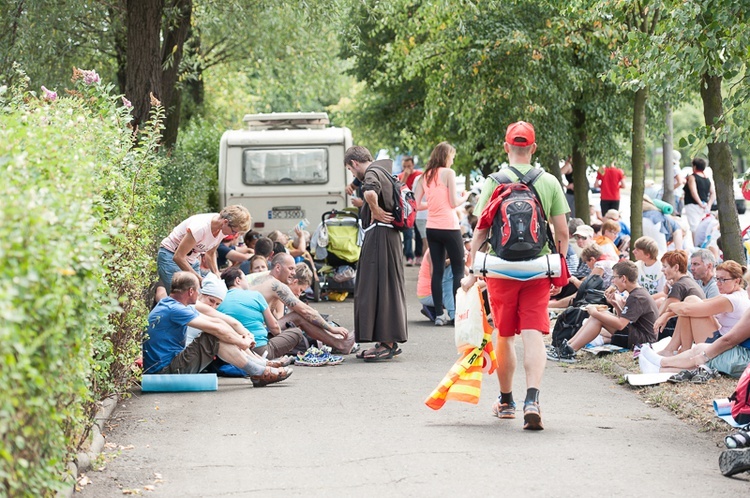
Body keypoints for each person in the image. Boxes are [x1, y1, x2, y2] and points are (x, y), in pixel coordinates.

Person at [463, 121, 569, 430]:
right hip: (537, 269)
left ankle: (506, 402)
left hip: (500, 269)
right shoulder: (548, 181)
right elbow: (562, 232)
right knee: (534, 331)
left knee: (504, 333)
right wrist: (557, 266)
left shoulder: (494, 182)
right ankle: (532, 399)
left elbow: (481, 229)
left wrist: (473, 270)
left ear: (506, 147)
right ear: (534, 148)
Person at [142, 271, 292, 387]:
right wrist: (242, 342)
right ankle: (259, 372)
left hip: (169, 364)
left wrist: (243, 336)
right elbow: (216, 329)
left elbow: (217, 321)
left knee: (216, 334)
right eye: (198, 290)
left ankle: (260, 368)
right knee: (213, 337)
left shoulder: (173, 304)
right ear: (191, 291)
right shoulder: (176, 309)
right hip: (165, 371)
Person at [344, 145, 408, 360]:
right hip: (387, 237)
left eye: (351, 170)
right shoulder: (384, 171)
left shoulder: (371, 172)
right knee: (384, 286)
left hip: (380, 236)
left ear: (354, 163)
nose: (353, 175)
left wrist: (375, 210)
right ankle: (386, 341)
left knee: (378, 287)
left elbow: (370, 191)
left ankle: (387, 343)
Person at [548, 261, 658, 362]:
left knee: (598, 317)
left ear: (623, 278)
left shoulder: (637, 297)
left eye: (614, 277)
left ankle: (568, 350)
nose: (612, 281)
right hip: (639, 335)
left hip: (643, 340)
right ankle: (567, 346)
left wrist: (595, 313)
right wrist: (615, 304)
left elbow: (620, 325)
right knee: (599, 315)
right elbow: (625, 320)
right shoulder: (637, 293)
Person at [250, 253, 356, 354]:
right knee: (299, 315)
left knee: (300, 317)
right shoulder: (277, 286)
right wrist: (331, 328)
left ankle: (338, 342)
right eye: (290, 269)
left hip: (247, 331)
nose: (293, 273)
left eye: (294, 269)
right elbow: (305, 311)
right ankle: (340, 344)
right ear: (278, 268)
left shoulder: (260, 279)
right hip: (255, 335)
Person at [413, 142, 469, 326]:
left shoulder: (424, 176)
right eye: (452, 156)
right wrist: (465, 197)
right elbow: (453, 202)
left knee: (437, 271)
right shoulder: (448, 173)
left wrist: (432, 205)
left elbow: (416, 203)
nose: (453, 159)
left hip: (432, 228)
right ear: (446, 156)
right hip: (449, 227)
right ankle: (457, 314)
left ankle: (438, 315)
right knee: (458, 270)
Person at [659, 261, 750, 356]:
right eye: (717, 279)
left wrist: (669, 308)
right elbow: (698, 304)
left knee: (691, 302)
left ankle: (681, 351)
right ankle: (676, 350)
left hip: (722, 346)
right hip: (724, 341)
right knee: (690, 300)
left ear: (737, 281)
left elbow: (686, 309)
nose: (718, 283)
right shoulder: (737, 294)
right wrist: (668, 313)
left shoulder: (731, 299)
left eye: (723, 280)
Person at [638, 304, 750, 380]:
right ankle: (660, 368)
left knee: (700, 352)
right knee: (700, 355)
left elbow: (729, 340)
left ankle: (662, 363)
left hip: (745, 359)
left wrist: (705, 356)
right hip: (744, 357)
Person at [157, 205, 252, 293]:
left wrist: (216, 274)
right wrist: (199, 279)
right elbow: (178, 257)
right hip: (170, 256)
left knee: (199, 295)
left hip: (191, 260)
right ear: (225, 222)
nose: (233, 235)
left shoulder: (222, 229)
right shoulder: (201, 227)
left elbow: (210, 253)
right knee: (181, 297)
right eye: (234, 231)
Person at [218, 267, 305, 360]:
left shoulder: (219, 300)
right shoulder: (255, 295)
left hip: (229, 352)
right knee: (296, 332)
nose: (247, 282)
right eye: (245, 279)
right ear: (238, 280)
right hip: (259, 349)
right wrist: (280, 337)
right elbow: (274, 327)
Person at [653, 250, 706, 340]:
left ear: (676, 267)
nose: (662, 269)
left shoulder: (679, 286)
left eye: (665, 266)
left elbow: (662, 312)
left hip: (688, 330)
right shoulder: (687, 281)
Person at [417, 248, 456, 321]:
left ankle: (433, 308)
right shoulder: (434, 250)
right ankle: (453, 314)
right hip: (428, 294)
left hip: (428, 292)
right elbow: (434, 273)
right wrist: (453, 260)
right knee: (449, 277)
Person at [398, 156, 423, 266]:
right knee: (407, 233)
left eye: (408, 166)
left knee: (419, 233)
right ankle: (409, 257)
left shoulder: (419, 175)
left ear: (413, 165)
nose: (406, 168)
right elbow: (398, 188)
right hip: (406, 209)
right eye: (404, 166)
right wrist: (405, 175)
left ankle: (418, 255)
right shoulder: (400, 176)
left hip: (418, 208)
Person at [683, 157, 715, 232]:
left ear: (694, 166)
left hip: (692, 205)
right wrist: (709, 205)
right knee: (703, 227)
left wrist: (700, 203)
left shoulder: (692, 177)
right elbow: (713, 193)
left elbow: (693, 191)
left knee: (694, 228)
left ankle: (696, 243)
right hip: (705, 206)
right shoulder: (707, 179)